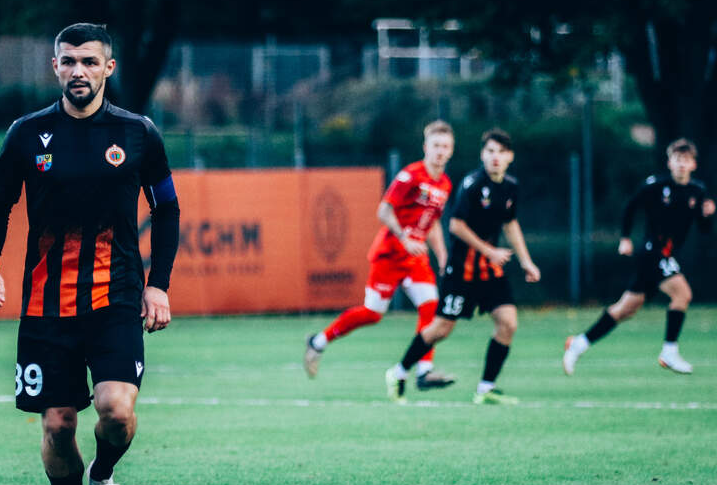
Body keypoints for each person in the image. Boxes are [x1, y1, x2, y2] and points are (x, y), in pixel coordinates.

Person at [0, 23, 180, 485]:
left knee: (116, 410)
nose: (78, 71)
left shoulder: (138, 133)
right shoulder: (27, 134)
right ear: (55, 68)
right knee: (58, 424)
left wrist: (158, 284)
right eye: (68, 61)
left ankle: (103, 474)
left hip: (116, 297)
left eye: (89, 62)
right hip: (46, 306)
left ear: (109, 68)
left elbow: (166, 209)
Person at [384, 129, 541, 404]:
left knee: (508, 322)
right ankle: (399, 372)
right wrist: (489, 250)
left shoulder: (510, 186)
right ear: (482, 154)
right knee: (441, 328)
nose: (495, 157)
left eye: (501, 152)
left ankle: (486, 388)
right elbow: (456, 226)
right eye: (490, 151)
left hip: (489, 271)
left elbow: (510, 223)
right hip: (462, 270)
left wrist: (526, 261)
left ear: (510, 157)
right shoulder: (472, 184)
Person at [304, 120, 456, 389]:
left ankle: (424, 371)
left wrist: (442, 256)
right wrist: (405, 237)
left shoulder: (444, 184)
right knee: (373, 313)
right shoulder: (410, 175)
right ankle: (319, 341)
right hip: (391, 253)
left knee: (431, 308)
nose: (440, 152)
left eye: (445, 147)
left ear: (451, 150)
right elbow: (384, 210)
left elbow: (432, 223)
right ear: (425, 147)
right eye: (436, 146)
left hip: (416, 258)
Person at [563, 138, 715, 375]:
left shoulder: (698, 190)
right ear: (669, 162)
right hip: (652, 252)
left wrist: (707, 215)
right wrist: (625, 237)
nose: (681, 164)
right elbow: (630, 207)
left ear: (693, 164)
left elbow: (704, 229)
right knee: (682, 294)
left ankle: (579, 343)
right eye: (677, 159)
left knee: (626, 309)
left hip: (667, 254)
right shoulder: (656, 185)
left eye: (686, 160)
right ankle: (669, 351)